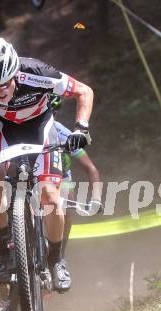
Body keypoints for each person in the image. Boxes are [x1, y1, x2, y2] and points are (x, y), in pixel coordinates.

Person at [0, 37, 93, 293]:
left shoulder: (37, 72)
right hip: (1, 129)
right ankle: (5, 254)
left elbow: (83, 91)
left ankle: (56, 260)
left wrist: (81, 127)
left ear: (15, 72)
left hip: (40, 127)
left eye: (3, 84)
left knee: (51, 197)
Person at [50, 95, 102, 261]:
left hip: (61, 177)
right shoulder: (24, 131)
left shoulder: (62, 133)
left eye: (51, 113)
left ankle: (59, 257)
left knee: (68, 206)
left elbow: (91, 169)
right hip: (32, 177)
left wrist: (96, 199)